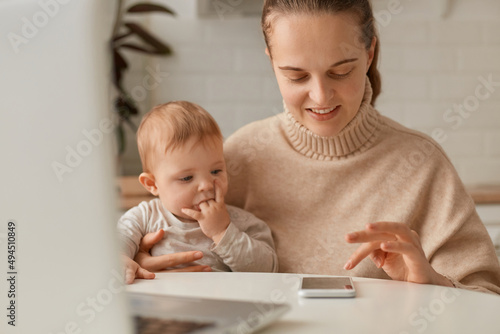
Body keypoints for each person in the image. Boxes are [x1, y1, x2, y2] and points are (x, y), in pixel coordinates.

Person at [130, 0, 500, 294]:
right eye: (297, 76)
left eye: (341, 71)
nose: (321, 96)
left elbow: (485, 299)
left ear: (369, 54)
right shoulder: (233, 161)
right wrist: (144, 268)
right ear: (272, 63)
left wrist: (433, 285)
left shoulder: (422, 164)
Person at [118, 101, 278, 283]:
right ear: (152, 184)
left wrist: (222, 232)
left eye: (216, 171)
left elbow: (269, 270)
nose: (206, 186)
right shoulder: (145, 217)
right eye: (187, 178)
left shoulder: (243, 223)